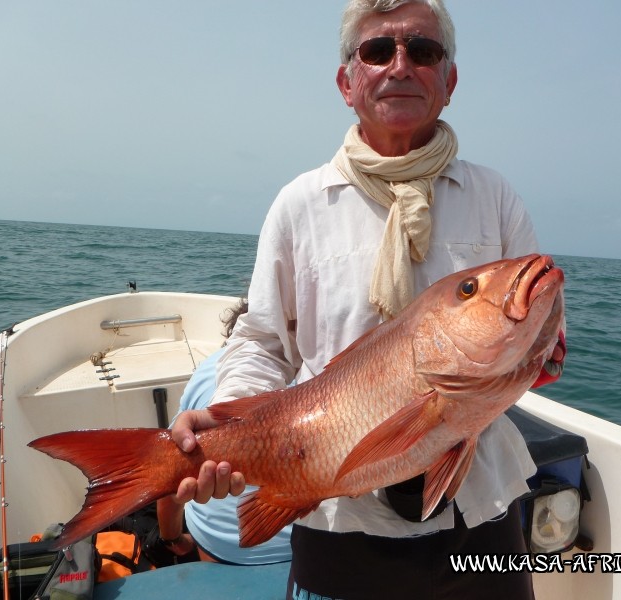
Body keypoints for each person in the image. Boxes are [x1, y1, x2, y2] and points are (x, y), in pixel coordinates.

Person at [171, 1, 565, 598]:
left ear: (450, 80)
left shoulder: (494, 196)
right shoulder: (299, 205)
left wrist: (545, 343)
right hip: (337, 524)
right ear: (347, 82)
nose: (400, 66)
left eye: (424, 51)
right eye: (378, 51)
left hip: (480, 518)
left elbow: (542, 338)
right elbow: (262, 341)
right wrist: (232, 422)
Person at [155, 300, 292, 565]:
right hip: (300, 553)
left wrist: (173, 539)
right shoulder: (314, 382)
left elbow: (168, 485)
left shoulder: (205, 371)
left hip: (216, 547)